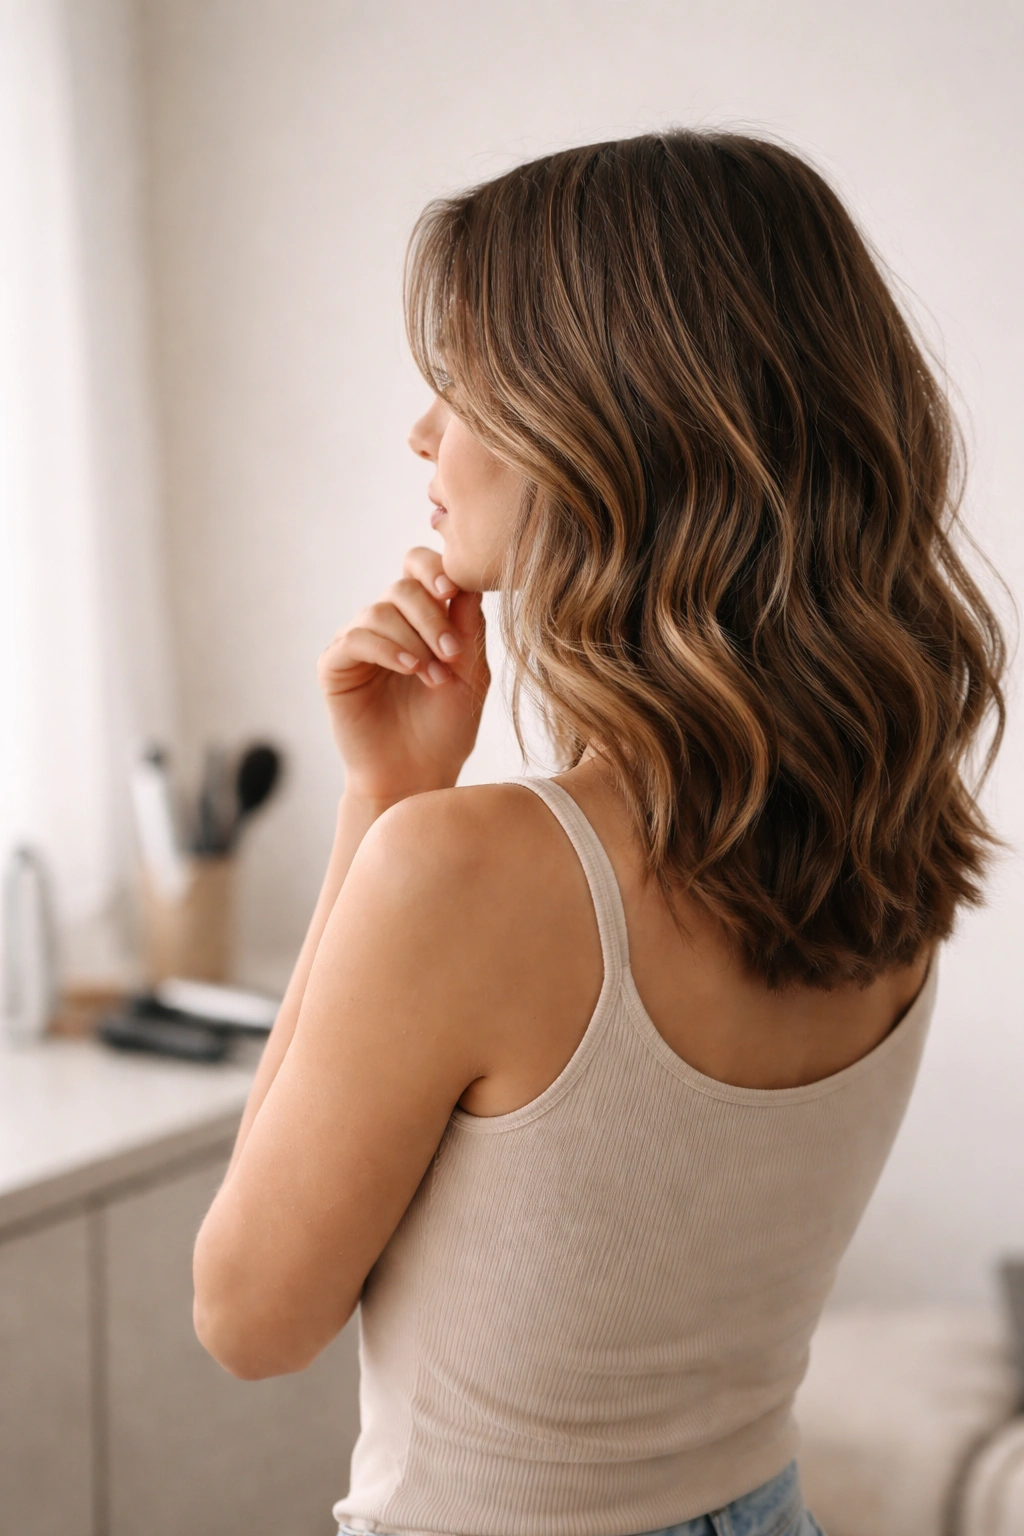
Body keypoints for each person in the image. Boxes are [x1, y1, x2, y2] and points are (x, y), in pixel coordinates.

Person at [192, 130, 1007, 1536]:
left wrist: (386, 804)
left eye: (461, 379)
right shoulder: (893, 832)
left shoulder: (469, 872)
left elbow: (249, 1318)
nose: (422, 431)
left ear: (605, 422)